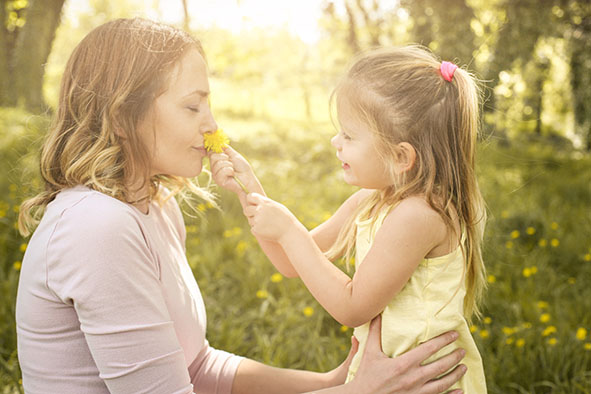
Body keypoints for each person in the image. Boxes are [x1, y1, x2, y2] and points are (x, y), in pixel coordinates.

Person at [16, 18, 467, 394]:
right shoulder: (98, 227)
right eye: (192, 107)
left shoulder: (156, 206)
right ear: (121, 116)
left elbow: (198, 368)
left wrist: (330, 383)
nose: (212, 124)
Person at [211, 46, 487, 392]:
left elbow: (353, 307)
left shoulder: (420, 215)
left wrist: (289, 228)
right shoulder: (370, 201)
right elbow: (290, 261)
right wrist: (249, 191)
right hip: (381, 379)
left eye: (349, 135)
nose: (335, 142)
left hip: (422, 383)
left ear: (401, 156)